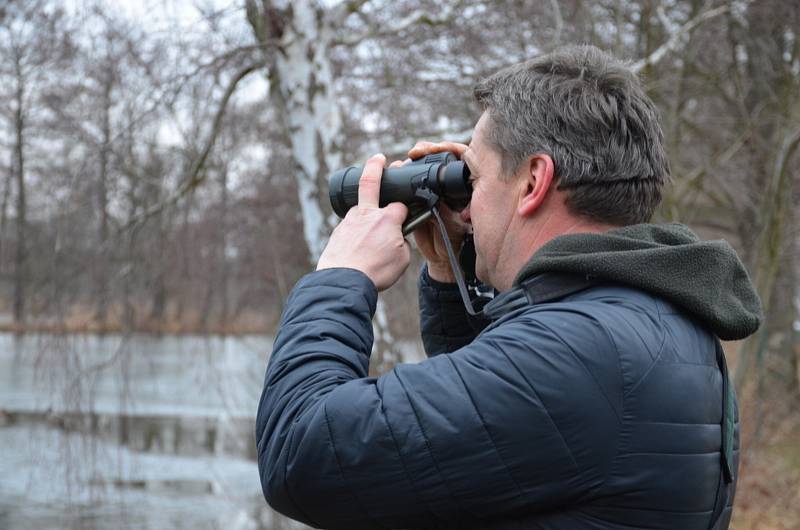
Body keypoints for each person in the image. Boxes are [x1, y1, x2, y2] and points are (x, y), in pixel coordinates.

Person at [255, 45, 762, 529]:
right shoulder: (648, 317)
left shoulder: (581, 351)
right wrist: (452, 276)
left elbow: (301, 455)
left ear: (533, 182)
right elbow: (502, 439)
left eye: (472, 179)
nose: (468, 208)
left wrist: (342, 277)